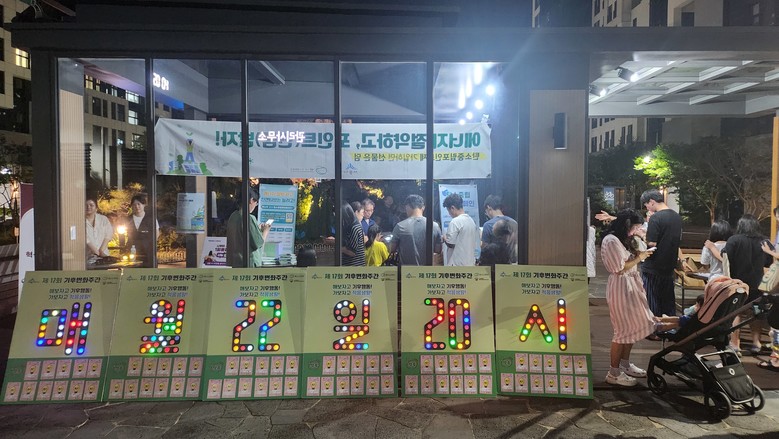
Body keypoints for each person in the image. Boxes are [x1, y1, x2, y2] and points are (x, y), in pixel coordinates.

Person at [601, 208, 663, 387]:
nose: (636, 230)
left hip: (630, 285)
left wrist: (639, 248)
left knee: (632, 327)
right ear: (627, 225)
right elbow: (619, 268)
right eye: (635, 226)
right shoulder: (611, 240)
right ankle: (613, 373)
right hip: (621, 287)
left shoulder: (622, 239)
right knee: (622, 330)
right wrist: (640, 257)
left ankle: (625, 364)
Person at [722, 214, 774, 355]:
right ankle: (756, 343)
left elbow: (725, 258)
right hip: (758, 284)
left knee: (736, 313)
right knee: (755, 313)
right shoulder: (764, 241)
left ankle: (735, 344)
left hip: (737, 283)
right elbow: (768, 262)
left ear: (740, 225)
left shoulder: (734, 240)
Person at [640, 189, 682, 318]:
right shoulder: (676, 217)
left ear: (652, 201)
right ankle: (670, 325)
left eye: (646, 205)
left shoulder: (656, 218)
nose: (647, 208)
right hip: (669, 266)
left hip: (654, 266)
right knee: (668, 301)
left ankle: (654, 326)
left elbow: (652, 243)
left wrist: (642, 235)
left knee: (652, 301)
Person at [390, 194, 442, 265]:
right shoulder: (434, 226)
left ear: (407, 207)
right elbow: (438, 250)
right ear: (423, 207)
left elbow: (392, 249)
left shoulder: (400, 226)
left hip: (407, 270)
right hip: (428, 270)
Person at [226, 187, 270, 268]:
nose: (255, 205)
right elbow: (258, 243)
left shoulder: (233, 216)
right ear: (251, 200)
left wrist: (257, 229)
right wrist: (265, 231)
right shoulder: (248, 218)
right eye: (256, 202)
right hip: (249, 264)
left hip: (236, 263)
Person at [442, 193, 478, 266]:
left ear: (452, 208)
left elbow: (450, 244)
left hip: (457, 265)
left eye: (448, 211)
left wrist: (444, 237)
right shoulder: (471, 221)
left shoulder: (455, 222)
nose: (449, 214)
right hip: (470, 263)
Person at [125, 194, 160, 267]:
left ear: (144, 205)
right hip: (132, 251)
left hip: (148, 252)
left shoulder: (151, 219)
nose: (137, 206)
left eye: (139, 204)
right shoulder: (128, 219)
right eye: (134, 205)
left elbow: (156, 233)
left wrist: (151, 245)